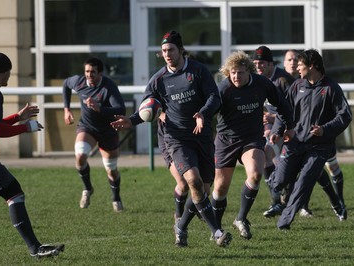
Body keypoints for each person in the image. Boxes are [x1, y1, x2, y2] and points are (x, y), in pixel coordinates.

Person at [110, 30, 232, 248]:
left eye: (171, 50)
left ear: (181, 50)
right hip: (176, 139)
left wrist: (203, 113)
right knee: (191, 181)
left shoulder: (198, 71)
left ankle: (181, 226)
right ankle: (217, 232)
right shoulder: (158, 80)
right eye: (164, 51)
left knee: (202, 190)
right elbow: (148, 107)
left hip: (202, 137)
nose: (167, 54)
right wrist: (131, 120)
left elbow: (214, 97)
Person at [211, 51, 294, 240]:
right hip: (226, 141)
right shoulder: (223, 89)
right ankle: (215, 228)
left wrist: (289, 126)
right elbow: (209, 110)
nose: (236, 77)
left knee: (256, 174)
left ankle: (241, 218)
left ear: (249, 71)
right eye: (232, 73)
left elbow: (282, 104)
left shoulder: (262, 84)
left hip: (251, 139)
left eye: (240, 73)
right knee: (221, 188)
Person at [270, 49, 352, 230]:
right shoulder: (297, 86)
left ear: (312, 66)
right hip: (294, 143)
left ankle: (284, 223)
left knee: (303, 183)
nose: (297, 68)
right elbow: (283, 110)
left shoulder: (331, 88)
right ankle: (279, 179)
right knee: (278, 182)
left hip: (319, 148)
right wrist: (277, 130)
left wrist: (325, 130)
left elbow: (345, 116)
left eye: (300, 64)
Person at [0, 52, 65, 258]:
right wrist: (25, 127)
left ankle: (36, 248)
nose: (9, 76)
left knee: (12, 192)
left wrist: (17, 117)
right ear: (5, 72)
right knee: (14, 193)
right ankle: (35, 248)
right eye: (9, 72)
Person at [63, 57, 126, 212]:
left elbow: (120, 109)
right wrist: (67, 109)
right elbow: (66, 84)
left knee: (111, 169)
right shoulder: (79, 82)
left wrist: (100, 109)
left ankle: (116, 198)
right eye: (87, 71)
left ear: (100, 73)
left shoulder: (108, 86)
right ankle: (88, 189)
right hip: (87, 127)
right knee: (80, 155)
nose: (89, 75)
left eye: (93, 72)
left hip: (108, 130)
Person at [251, 46, 296, 217]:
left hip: (292, 127)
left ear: (271, 64)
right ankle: (277, 200)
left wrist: (274, 117)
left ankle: (291, 201)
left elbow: (296, 109)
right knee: (266, 156)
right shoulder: (258, 80)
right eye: (255, 64)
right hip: (274, 127)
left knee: (309, 170)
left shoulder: (284, 80)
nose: (258, 67)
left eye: (262, 63)